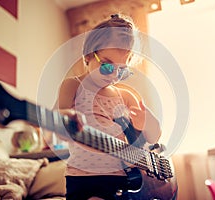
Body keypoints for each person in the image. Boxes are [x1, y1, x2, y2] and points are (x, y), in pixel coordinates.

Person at [56, 14, 162, 200]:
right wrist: (66, 118)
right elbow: (58, 128)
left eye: (121, 71)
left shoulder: (125, 95)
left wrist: (146, 122)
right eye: (106, 66)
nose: (113, 75)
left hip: (122, 178)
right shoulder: (72, 85)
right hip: (82, 176)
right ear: (88, 56)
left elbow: (154, 136)